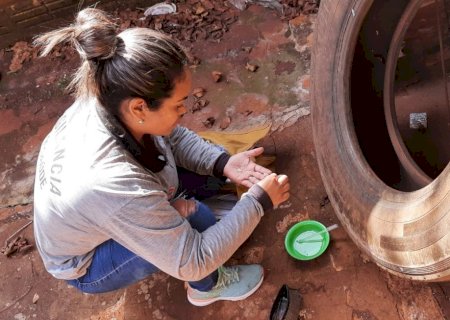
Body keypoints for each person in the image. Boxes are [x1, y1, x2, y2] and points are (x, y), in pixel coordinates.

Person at [32, 8, 290, 307]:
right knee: (199, 218)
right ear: (140, 108)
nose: (184, 113)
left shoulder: (106, 95)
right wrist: (257, 203)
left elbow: (171, 137)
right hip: (88, 262)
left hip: (103, 212)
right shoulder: (114, 185)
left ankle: (181, 209)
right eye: (179, 105)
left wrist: (223, 163)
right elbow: (194, 260)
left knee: (209, 172)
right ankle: (207, 288)